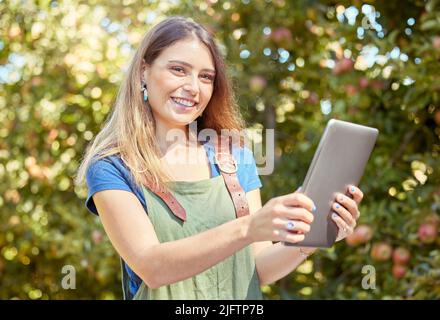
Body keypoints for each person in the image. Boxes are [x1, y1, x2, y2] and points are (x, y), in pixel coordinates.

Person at [75, 16, 363, 300]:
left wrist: (311, 239)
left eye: (205, 77)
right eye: (178, 69)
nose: (193, 87)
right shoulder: (112, 167)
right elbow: (152, 266)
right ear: (142, 71)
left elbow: (257, 269)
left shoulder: (235, 158)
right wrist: (249, 228)